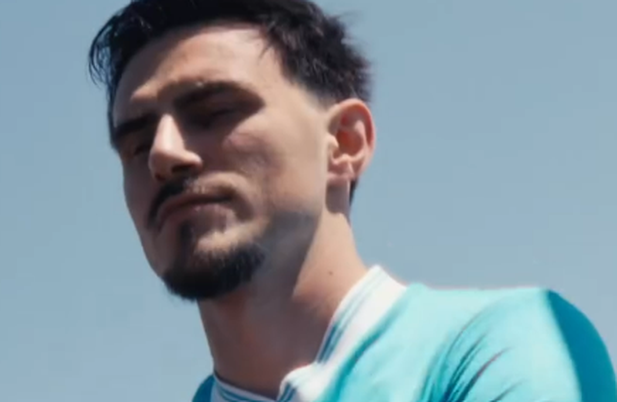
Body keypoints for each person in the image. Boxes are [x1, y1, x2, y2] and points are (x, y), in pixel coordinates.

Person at [87, 0, 617, 400]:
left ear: (344, 142)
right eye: (135, 144)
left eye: (214, 112)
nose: (163, 154)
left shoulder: (501, 348)